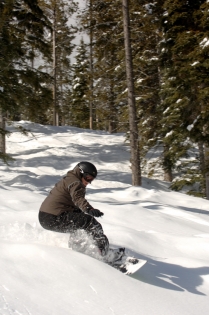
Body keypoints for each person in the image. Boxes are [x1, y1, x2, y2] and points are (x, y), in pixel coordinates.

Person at [38, 161, 109, 258]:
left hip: (46, 217)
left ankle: (77, 249)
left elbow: (73, 203)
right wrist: (89, 209)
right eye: (88, 178)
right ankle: (104, 254)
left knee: (78, 222)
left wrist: (84, 211)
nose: (88, 182)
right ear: (81, 172)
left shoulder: (69, 179)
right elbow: (78, 199)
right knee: (89, 222)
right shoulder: (75, 182)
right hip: (53, 217)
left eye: (91, 180)